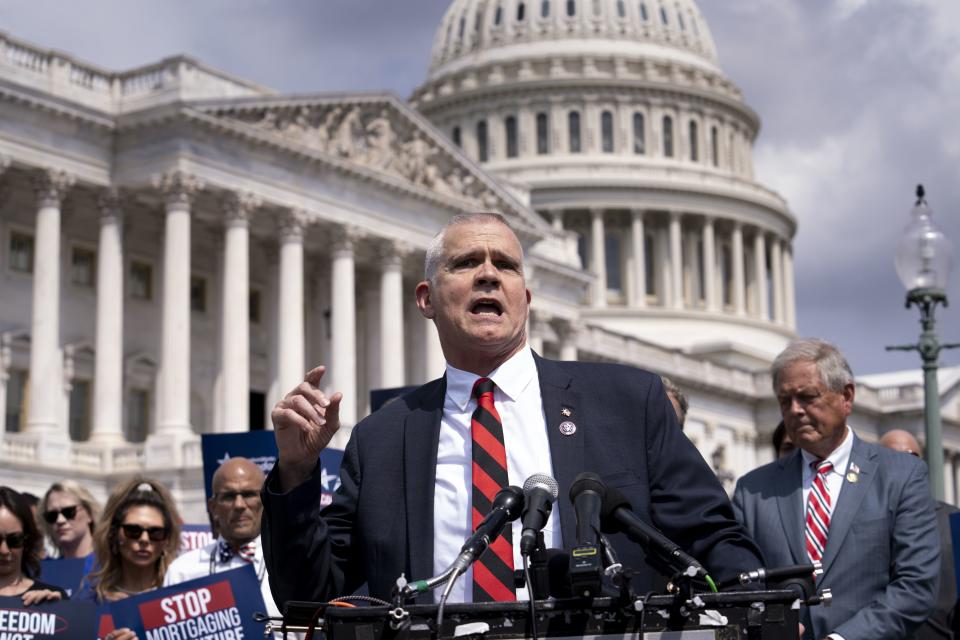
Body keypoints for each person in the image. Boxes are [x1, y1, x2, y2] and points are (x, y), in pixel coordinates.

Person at [263, 212, 763, 607]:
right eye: (465, 264)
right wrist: (297, 472)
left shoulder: (628, 403)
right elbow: (311, 596)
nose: (487, 274)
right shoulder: (382, 438)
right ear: (426, 299)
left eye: (504, 264)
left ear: (525, 296)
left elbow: (714, 540)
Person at [733, 339, 939, 640]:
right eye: (784, 401)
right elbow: (739, 584)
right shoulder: (753, 490)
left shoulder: (901, 476)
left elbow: (916, 586)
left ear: (846, 396)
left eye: (807, 397)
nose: (795, 410)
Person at [164, 458, 281, 628]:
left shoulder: (291, 567)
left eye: (248, 494)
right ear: (213, 507)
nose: (239, 505)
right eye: (229, 496)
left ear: (265, 501)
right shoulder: (182, 571)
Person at [879, 429, 959, 640]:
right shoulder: (858, 523)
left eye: (912, 458)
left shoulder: (955, 520)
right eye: (893, 458)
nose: (905, 465)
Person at [75, 477, 181, 605]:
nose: (144, 539)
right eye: (133, 531)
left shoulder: (180, 597)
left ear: (167, 540)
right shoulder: (89, 601)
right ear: (113, 534)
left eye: (155, 532)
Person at [0, 486, 66, 604]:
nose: (4, 550)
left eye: (15, 540)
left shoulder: (51, 598)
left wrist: (57, 610)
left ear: (27, 539)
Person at [40, 480, 101, 560]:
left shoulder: (112, 567)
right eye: (52, 515)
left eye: (68, 512)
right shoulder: (44, 570)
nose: (60, 520)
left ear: (89, 514)